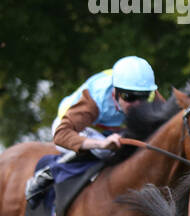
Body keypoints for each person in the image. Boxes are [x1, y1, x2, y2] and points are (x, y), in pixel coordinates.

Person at [25, 56, 161, 204]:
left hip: (109, 127)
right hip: (70, 125)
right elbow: (61, 135)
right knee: (105, 150)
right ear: (114, 91)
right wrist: (101, 144)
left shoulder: (150, 92)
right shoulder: (95, 99)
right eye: (128, 97)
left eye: (143, 97)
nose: (136, 104)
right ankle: (49, 172)